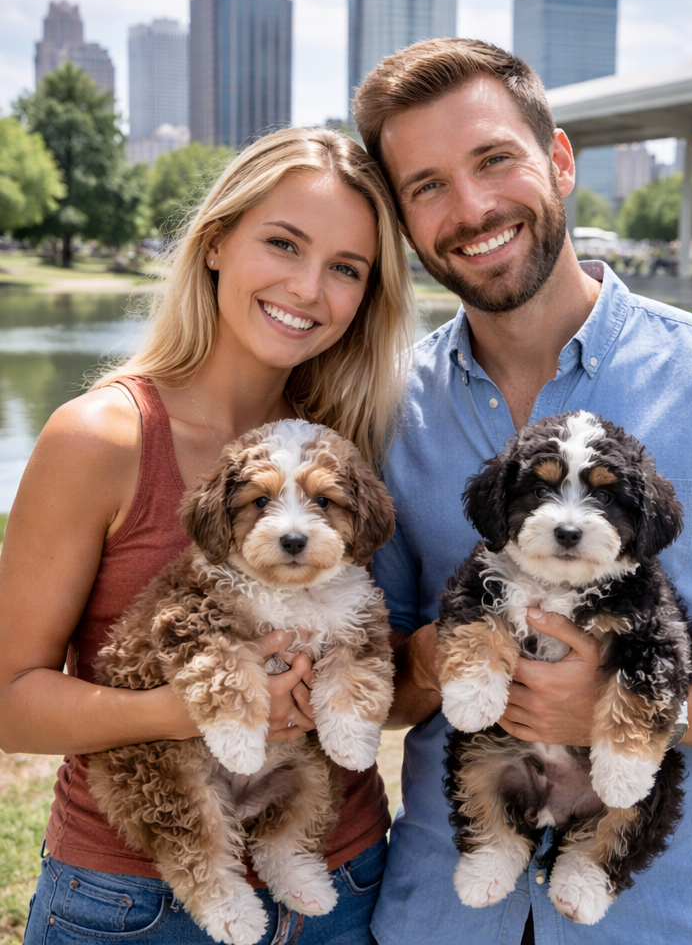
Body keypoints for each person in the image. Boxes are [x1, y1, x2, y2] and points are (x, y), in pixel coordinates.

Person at [349, 39, 692, 944]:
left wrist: (633, 711)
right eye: (428, 186)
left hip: (661, 915)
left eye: (495, 159)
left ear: (560, 162)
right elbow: (386, 689)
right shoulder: (385, 409)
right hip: (443, 910)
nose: (473, 208)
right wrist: (445, 656)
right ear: (404, 221)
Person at [0, 127, 418, 945]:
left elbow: (374, 671)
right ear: (217, 242)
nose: (308, 287)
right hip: (139, 903)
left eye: (346, 268)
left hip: (346, 880)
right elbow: (11, 704)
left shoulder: (345, 442)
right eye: (283, 243)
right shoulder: (103, 436)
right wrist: (194, 708)